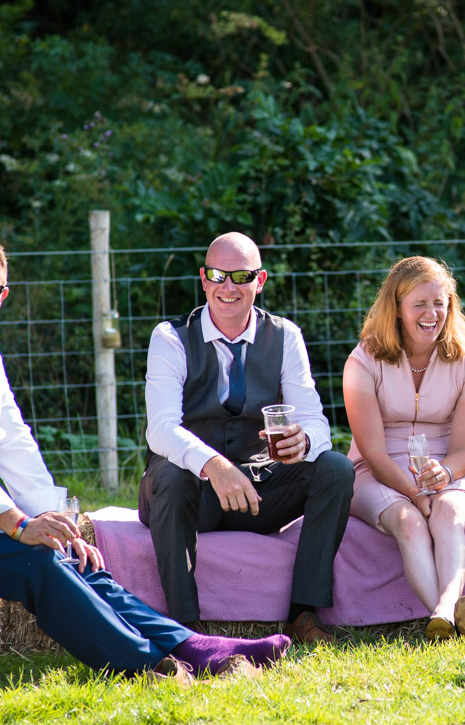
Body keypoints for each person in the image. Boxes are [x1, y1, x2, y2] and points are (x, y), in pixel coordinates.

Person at [0, 236, 289, 681]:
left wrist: (54, 517)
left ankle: (194, 646)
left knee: (69, 554)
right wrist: (18, 523)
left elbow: (14, 441)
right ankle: (145, 666)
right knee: (36, 562)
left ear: (3, 296)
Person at [140, 232, 354, 645]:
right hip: (188, 494)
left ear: (261, 281)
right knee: (169, 473)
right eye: (218, 275)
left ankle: (302, 615)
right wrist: (214, 466)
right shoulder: (169, 338)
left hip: (255, 493)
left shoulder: (285, 336)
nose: (229, 286)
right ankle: (185, 628)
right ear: (203, 279)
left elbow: (316, 422)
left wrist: (303, 442)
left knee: (335, 468)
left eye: (242, 275)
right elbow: (160, 428)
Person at [343, 257, 465, 640]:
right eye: (420, 304)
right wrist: (412, 493)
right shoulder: (363, 360)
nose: (432, 314)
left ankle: (443, 613)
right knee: (408, 522)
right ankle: (449, 614)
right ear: (396, 308)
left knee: (448, 514)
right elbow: (372, 451)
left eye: (440, 303)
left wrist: (446, 473)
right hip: (374, 472)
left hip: (447, 468)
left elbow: (464, 450)